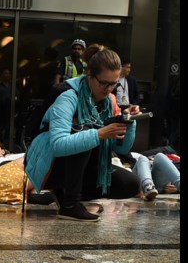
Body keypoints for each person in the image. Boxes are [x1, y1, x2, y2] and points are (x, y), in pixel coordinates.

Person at [25, 48, 142, 221]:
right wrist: (99, 134)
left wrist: (129, 122)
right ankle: (70, 204)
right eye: (104, 83)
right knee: (84, 131)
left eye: (114, 84)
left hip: (85, 165)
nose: (109, 89)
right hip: (50, 163)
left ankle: (65, 192)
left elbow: (123, 148)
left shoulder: (110, 101)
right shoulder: (68, 97)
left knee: (130, 184)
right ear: (90, 75)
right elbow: (58, 144)